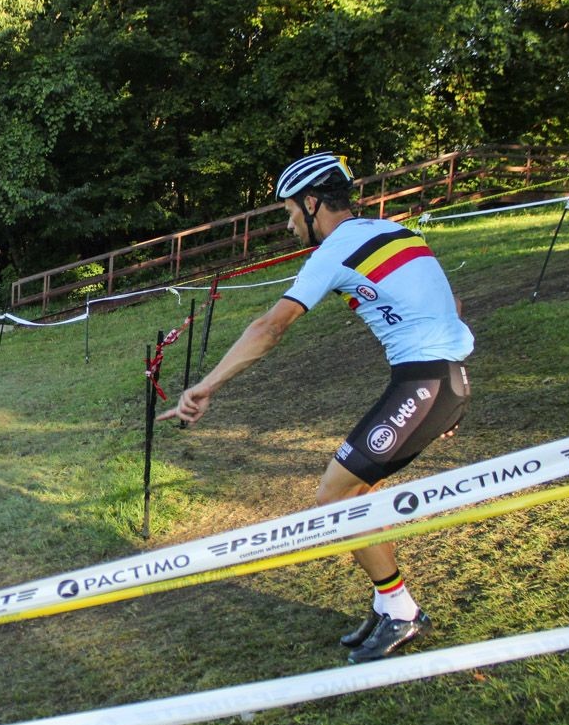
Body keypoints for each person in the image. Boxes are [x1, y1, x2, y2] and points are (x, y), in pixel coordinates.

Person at [158, 152, 473, 663]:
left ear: (312, 202)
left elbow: (270, 327)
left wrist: (206, 386)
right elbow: (451, 307)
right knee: (358, 493)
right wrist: (448, 395)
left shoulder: (338, 247)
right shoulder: (400, 233)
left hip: (426, 382)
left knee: (335, 496)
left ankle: (402, 611)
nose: (288, 224)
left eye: (288, 212)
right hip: (439, 381)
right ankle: (387, 601)